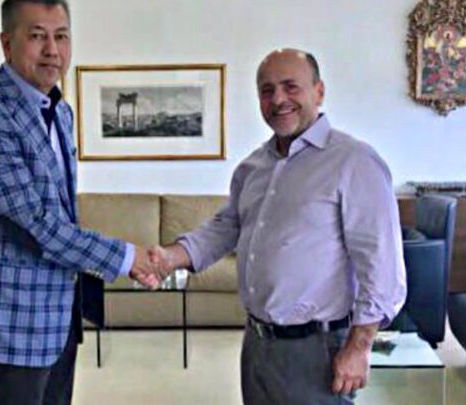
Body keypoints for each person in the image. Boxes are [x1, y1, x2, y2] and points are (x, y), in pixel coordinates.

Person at [150, 48, 407, 405]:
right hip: (257, 345)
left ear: (319, 91)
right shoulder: (253, 167)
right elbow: (227, 227)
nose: (278, 99)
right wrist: (169, 257)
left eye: (291, 86)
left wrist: (359, 347)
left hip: (318, 350)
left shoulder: (354, 161)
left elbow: (381, 264)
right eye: (267, 90)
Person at [0, 0, 163, 405]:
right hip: (11, 321)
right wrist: (126, 258)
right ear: (6, 44)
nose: (52, 50)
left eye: (61, 36)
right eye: (37, 36)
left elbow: (60, 214)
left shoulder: (59, 111)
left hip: (58, 314)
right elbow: (37, 225)